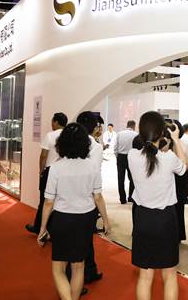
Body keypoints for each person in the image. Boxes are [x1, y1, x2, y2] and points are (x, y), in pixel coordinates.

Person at [37, 123, 111, 300]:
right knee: (79, 266)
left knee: (58, 268)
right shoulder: (92, 166)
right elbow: (98, 197)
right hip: (85, 219)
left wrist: (42, 228)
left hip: (62, 219)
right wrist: (106, 221)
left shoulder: (56, 167)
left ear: (62, 144)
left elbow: (48, 202)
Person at [128, 111, 188, 300]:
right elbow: (184, 168)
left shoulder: (132, 156)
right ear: (162, 132)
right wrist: (176, 140)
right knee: (169, 275)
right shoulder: (168, 158)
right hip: (165, 220)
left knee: (145, 276)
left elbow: (147, 152)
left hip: (142, 218)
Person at [73, 111, 105, 284]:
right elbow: (94, 172)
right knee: (85, 238)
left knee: (75, 240)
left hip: (68, 194)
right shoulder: (95, 146)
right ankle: (83, 275)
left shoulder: (70, 141)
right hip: (87, 197)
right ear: (94, 127)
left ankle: (88, 270)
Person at [27, 113, 68, 234]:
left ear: (56, 122)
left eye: (52, 121)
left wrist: (41, 171)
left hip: (50, 171)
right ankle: (56, 230)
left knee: (44, 200)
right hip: (65, 171)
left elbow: (43, 155)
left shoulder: (50, 135)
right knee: (61, 201)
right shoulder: (69, 135)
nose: (51, 124)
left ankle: (39, 227)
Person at [170, 119, 188, 241]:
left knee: (176, 206)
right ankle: (178, 234)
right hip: (180, 176)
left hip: (178, 176)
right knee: (178, 207)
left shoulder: (180, 143)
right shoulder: (183, 142)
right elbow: (187, 161)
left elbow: (186, 162)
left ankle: (176, 234)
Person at [115, 120, 138, 204]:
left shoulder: (119, 134)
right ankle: (131, 197)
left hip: (121, 157)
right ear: (134, 126)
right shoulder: (136, 134)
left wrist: (117, 156)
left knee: (120, 179)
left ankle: (122, 199)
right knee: (132, 178)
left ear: (127, 125)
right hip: (131, 157)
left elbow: (115, 147)